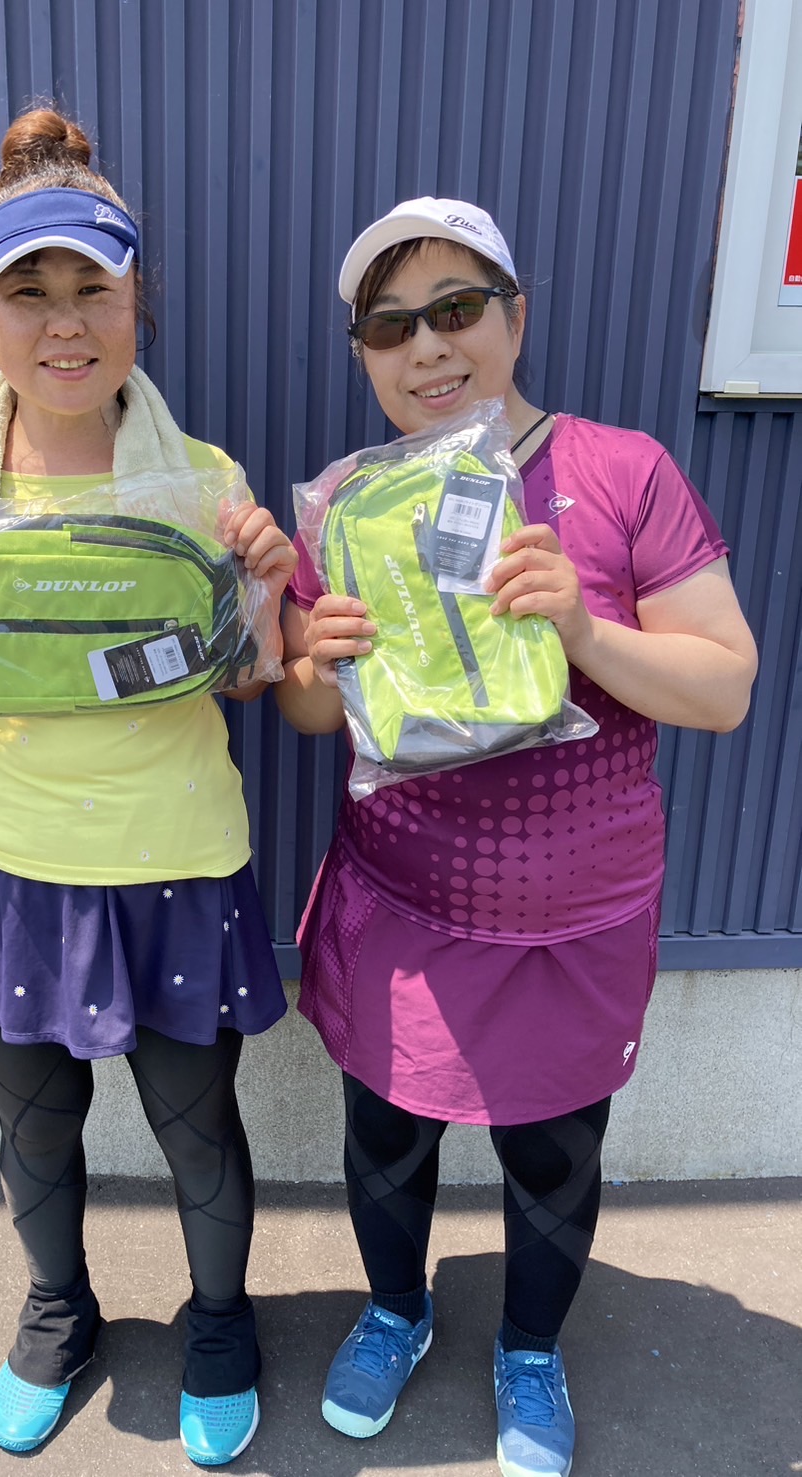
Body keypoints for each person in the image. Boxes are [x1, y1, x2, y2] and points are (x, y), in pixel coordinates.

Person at [0, 106, 296, 1467]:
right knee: (33, 1126)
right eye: (27, 292)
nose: (66, 323)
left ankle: (221, 1323)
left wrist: (264, 593)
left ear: (137, 300)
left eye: (93, 287)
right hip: (2, 854)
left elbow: (247, 679)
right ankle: (58, 1309)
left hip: (171, 855)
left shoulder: (202, 485)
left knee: (195, 1127)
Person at [276, 197, 757, 1477]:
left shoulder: (621, 471)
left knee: (553, 1149)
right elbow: (315, 711)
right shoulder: (352, 504)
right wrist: (315, 660)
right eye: (390, 326)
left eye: (455, 308)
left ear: (514, 316)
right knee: (386, 1135)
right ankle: (397, 1310)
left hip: (574, 914)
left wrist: (586, 632)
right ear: (366, 355)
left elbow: (724, 685)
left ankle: (531, 1348)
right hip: (402, 905)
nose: (427, 347)